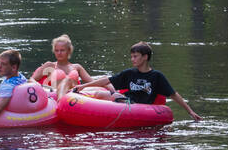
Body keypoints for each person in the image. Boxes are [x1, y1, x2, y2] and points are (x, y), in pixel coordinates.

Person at [73, 42, 202, 121]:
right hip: (126, 102)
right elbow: (106, 80)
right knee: (100, 94)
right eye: (131, 56)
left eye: (135, 56)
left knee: (113, 96)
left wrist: (190, 111)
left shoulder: (157, 76)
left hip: (141, 107)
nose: (132, 59)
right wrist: (83, 86)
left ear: (145, 57)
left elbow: (173, 94)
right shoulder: (130, 73)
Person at [29, 34, 94, 95]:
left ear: (69, 51)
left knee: (69, 80)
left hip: (75, 97)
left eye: (62, 50)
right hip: (56, 96)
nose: (59, 53)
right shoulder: (49, 65)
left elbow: (92, 82)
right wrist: (42, 88)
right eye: (57, 50)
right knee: (66, 81)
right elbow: (31, 80)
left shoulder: (77, 67)